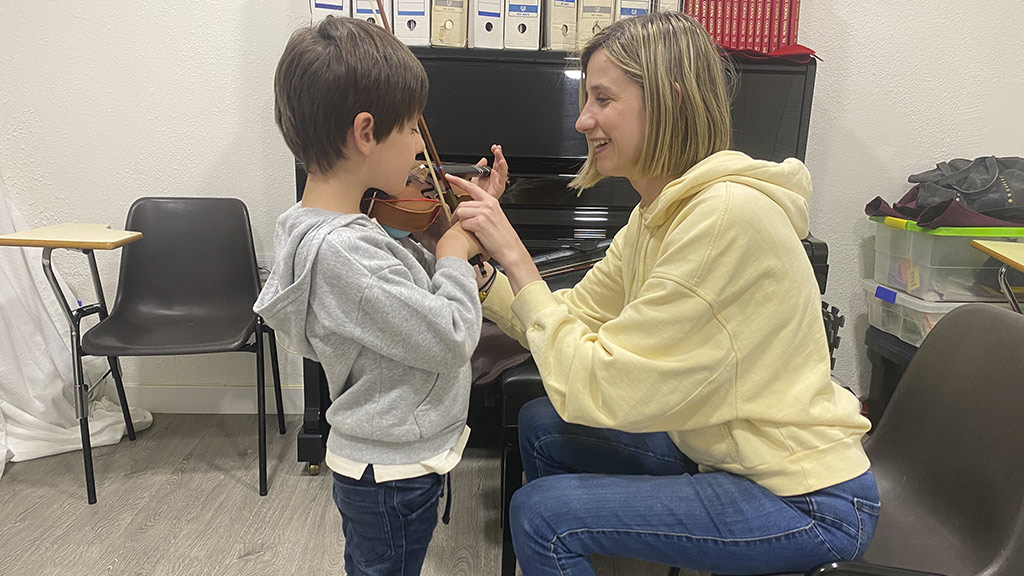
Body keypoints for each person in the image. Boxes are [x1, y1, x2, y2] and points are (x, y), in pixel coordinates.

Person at [450, 11, 879, 576]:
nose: (582, 120)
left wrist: (515, 255)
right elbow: (573, 313)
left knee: (541, 516)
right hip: (724, 457)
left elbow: (598, 384)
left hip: (805, 498)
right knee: (542, 424)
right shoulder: (659, 214)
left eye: (603, 99)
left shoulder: (723, 218)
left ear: (669, 100)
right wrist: (482, 273)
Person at [254, 16, 505, 576]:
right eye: (413, 128)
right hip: (392, 473)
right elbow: (449, 336)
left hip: (389, 461)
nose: (420, 146)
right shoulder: (346, 253)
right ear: (365, 132)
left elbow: (404, 294)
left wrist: (438, 241)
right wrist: (452, 252)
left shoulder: (328, 227)